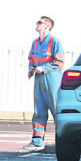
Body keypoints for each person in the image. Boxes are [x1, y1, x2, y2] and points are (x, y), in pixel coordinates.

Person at [25, 15, 64, 150]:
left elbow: (59, 62)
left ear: (47, 25)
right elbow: (31, 58)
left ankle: (62, 140)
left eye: (40, 22)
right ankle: (37, 140)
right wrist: (31, 69)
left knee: (56, 109)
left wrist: (45, 68)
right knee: (38, 110)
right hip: (39, 79)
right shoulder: (35, 43)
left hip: (52, 79)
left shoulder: (55, 41)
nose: (37, 24)